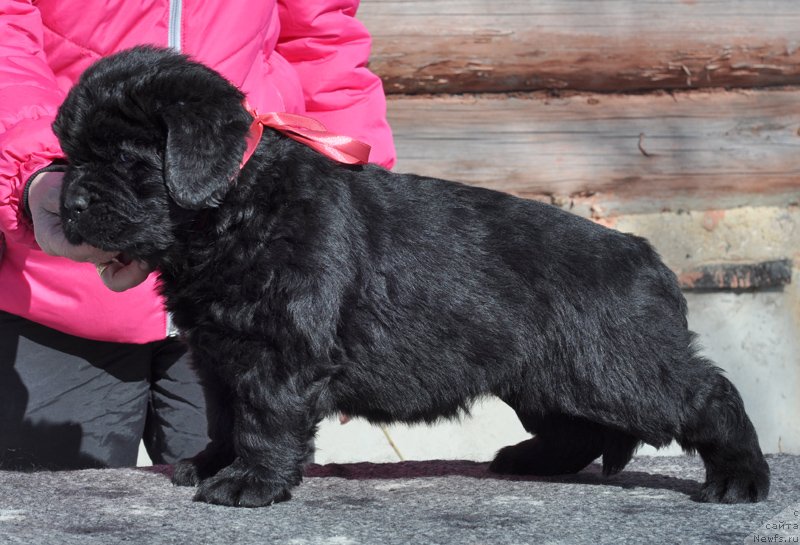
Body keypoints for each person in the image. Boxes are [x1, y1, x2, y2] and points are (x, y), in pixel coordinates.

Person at [0, 0, 396, 469]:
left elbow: (322, 42)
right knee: (59, 515)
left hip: (255, 276)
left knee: (242, 499)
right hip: (61, 279)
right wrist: (33, 172)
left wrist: (355, 271)